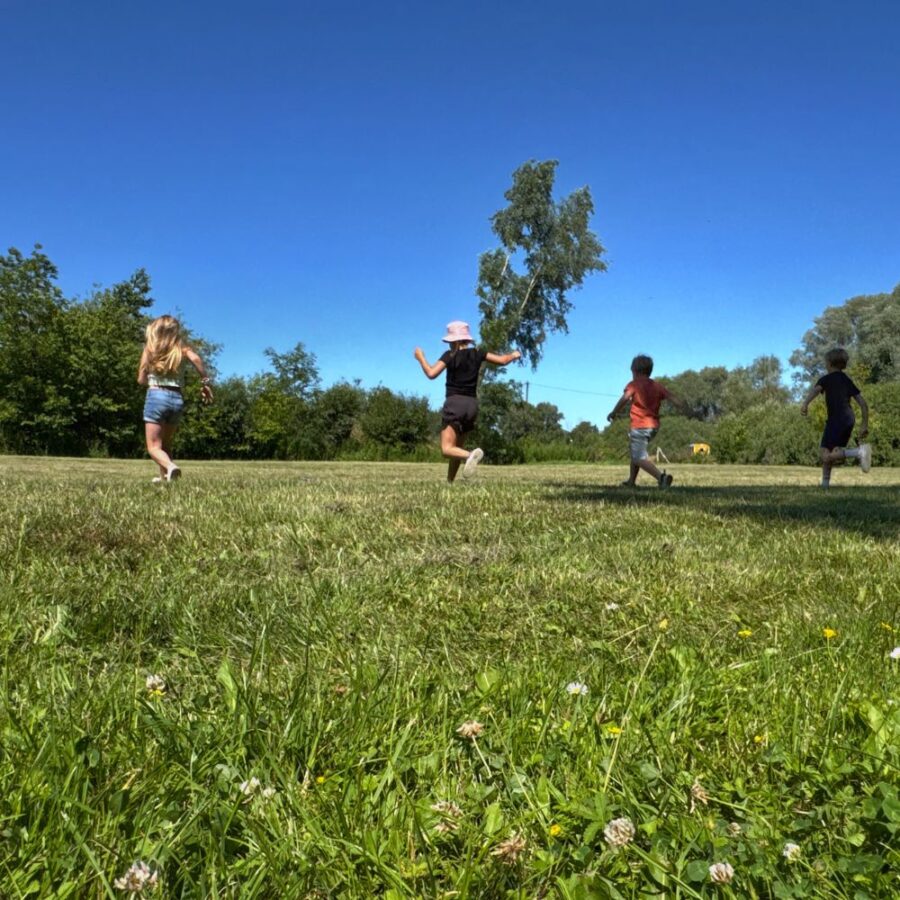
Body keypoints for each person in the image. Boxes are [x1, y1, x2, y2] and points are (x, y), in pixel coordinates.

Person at [414, 321, 521, 482]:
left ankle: (470, 455)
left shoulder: (450, 355)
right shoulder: (478, 353)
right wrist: (513, 355)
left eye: (450, 342)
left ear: (455, 341)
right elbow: (503, 360)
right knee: (456, 447)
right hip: (471, 405)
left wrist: (420, 357)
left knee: (446, 449)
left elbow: (431, 373)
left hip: (454, 403)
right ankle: (450, 481)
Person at [137, 315, 213, 483]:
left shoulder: (150, 349)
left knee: (153, 447)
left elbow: (141, 379)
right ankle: (166, 478)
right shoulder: (181, 349)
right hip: (176, 398)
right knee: (166, 443)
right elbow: (196, 359)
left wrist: (148, 375)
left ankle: (171, 467)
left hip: (156, 396)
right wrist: (205, 382)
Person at [607, 354, 685, 488]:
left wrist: (614, 412)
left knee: (638, 457)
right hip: (653, 426)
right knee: (635, 452)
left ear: (635, 370)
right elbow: (673, 398)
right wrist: (685, 408)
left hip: (640, 426)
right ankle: (631, 481)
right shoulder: (657, 386)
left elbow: (625, 398)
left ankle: (661, 477)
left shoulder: (634, 385)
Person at [800, 347, 870, 488]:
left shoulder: (825, 379)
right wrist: (864, 425)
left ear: (830, 363)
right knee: (827, 452)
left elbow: (815, 391)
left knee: (826, 455)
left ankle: (859, 452)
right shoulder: (846, 380)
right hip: (846, 419)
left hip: (838, 420)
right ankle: (825, 485)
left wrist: (805, 404)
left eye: (825, 362)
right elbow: (863, 404)